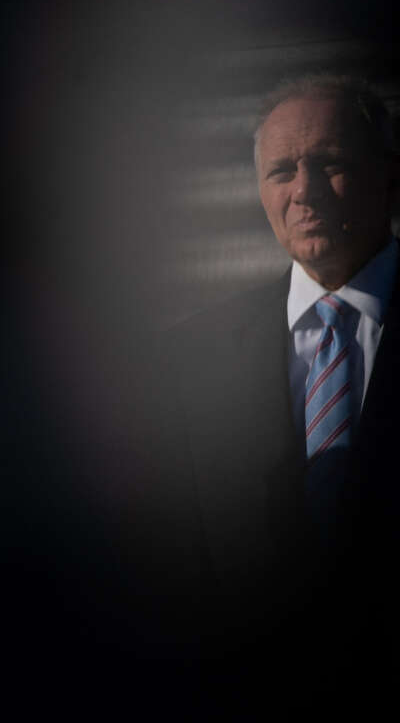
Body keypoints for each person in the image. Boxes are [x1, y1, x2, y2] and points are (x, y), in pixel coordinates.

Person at [155, 75, 399, 680]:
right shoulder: (190, 357)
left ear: (389, 174)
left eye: (331, 163)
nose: (305, 191)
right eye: (281, 171)